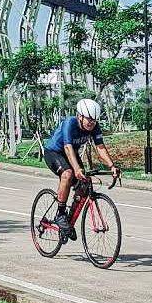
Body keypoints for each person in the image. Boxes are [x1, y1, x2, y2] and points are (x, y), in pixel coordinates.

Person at [44, 98, 120, 238]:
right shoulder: (70, 123)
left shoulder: (94, 127)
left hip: (71, 154)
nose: (92, 122)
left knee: (85, 182)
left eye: (94, 119)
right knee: (68, 174)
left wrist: (112, 166)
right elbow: (67, 147)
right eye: (89, 118)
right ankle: (60, 214)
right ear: (80, 116)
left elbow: (100, 148)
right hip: (54, 152)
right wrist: (77, 169)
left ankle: (68, 221)